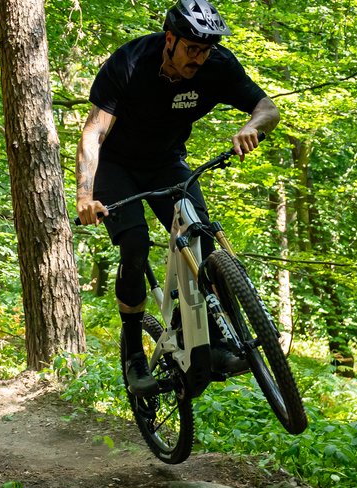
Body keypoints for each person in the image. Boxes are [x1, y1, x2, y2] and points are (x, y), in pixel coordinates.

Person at [75, 0, 279, 395]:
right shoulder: (131, 62)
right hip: (116, 168)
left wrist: (252, 127)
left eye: (206, 50)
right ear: (170, 39)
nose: (199, 59)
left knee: (200, 237)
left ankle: (210, 342)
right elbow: (92, 134)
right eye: (192, 48)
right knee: (133, 245)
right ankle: (134, 353)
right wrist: (85, 195)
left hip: (167, 162)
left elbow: (267, 108)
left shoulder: (216, 66)